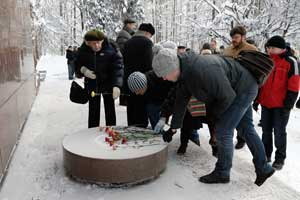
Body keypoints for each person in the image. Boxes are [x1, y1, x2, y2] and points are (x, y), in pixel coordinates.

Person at [152, 46, 275, 186]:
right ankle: (263, 168)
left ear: (173, 68)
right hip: (239, 86)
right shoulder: (185, 73)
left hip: (243, 89)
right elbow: (181, 101)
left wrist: (215, 116)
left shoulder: (202, 70)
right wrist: (173, 129)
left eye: (164, 74)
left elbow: (227, 97)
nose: (163, 78)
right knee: (246, 128)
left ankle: (222, 172)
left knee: (223, 131)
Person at [256, 36, 300, 170]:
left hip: (281, 105)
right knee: (266, 131)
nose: (269, 50)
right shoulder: (267, 60)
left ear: (281, 48)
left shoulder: (291, 62)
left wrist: (288, 105)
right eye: (268, 47)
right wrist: (257, 99)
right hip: (266, 103)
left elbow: (294, 84)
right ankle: (266, 155)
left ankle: (280, 158)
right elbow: (260, 81)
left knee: (280, 132)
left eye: (272, 48)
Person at [75, 29, 124, 128]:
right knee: (93, 111)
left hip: (108, 84)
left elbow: (118, 68)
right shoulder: (83, 50)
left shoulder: (111, 49)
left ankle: (111, 131)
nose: (96, 46)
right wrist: (83, 70)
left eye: (98, 43)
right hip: (92, 85)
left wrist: (117, 85)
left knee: (110, 110)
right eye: (93, 44)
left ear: (102, 40)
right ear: (88, 43)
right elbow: (77, 65)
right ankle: (91, 133)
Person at [223, 26, 258, 150]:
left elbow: (257, 72)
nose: (234, 40)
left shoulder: (251, 50)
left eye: (236, 37)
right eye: (232, 37)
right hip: (229, 92)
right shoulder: (227, 50)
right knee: (242, 125)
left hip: (244, 91)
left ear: (244, 37)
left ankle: (240, 140)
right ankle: (262, 163)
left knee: (231, 125)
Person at [123, 23, 155, 127]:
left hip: (129, 81)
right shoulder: (147, 43)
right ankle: (141, 130)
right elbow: (150, 64)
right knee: (142, 110)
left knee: (131, 108)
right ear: (147, 33)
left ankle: (131, 128)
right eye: (150, 35)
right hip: (142, 81)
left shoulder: (128, 42)